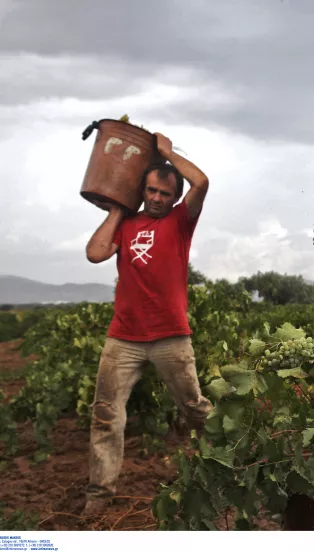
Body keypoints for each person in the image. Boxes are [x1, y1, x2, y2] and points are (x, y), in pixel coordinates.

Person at [82, 132, 213, 515]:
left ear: (174, 198)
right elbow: (94, 254)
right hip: (123, 338)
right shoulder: (126, 224)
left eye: (164, 194)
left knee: (194, 408)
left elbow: (201, 182)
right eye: (152, 191)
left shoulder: (180, 222)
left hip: (171, 337)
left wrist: (168, 153)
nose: (157, 199)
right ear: (143, 190)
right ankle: (99, 494)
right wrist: (118, 208)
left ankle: (228, 462)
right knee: (105, 414)